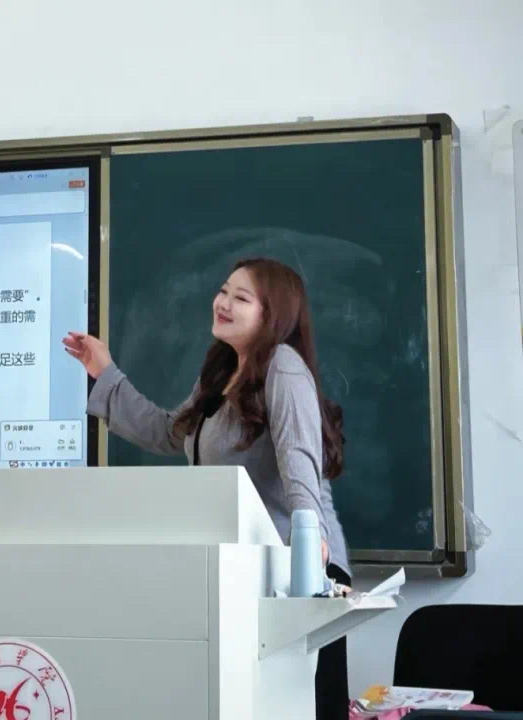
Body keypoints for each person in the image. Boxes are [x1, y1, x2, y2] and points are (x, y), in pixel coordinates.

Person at [62, 257, 351, 720]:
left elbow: (299, 457)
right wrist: (106, 373)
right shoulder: (221, 375)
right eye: (223, 291)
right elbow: (167, 432)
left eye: (241, 297)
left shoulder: (284, 366)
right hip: (247, 573)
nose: (223, 303)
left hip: (299, 575)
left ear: (272, 314)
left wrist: (309, 538)